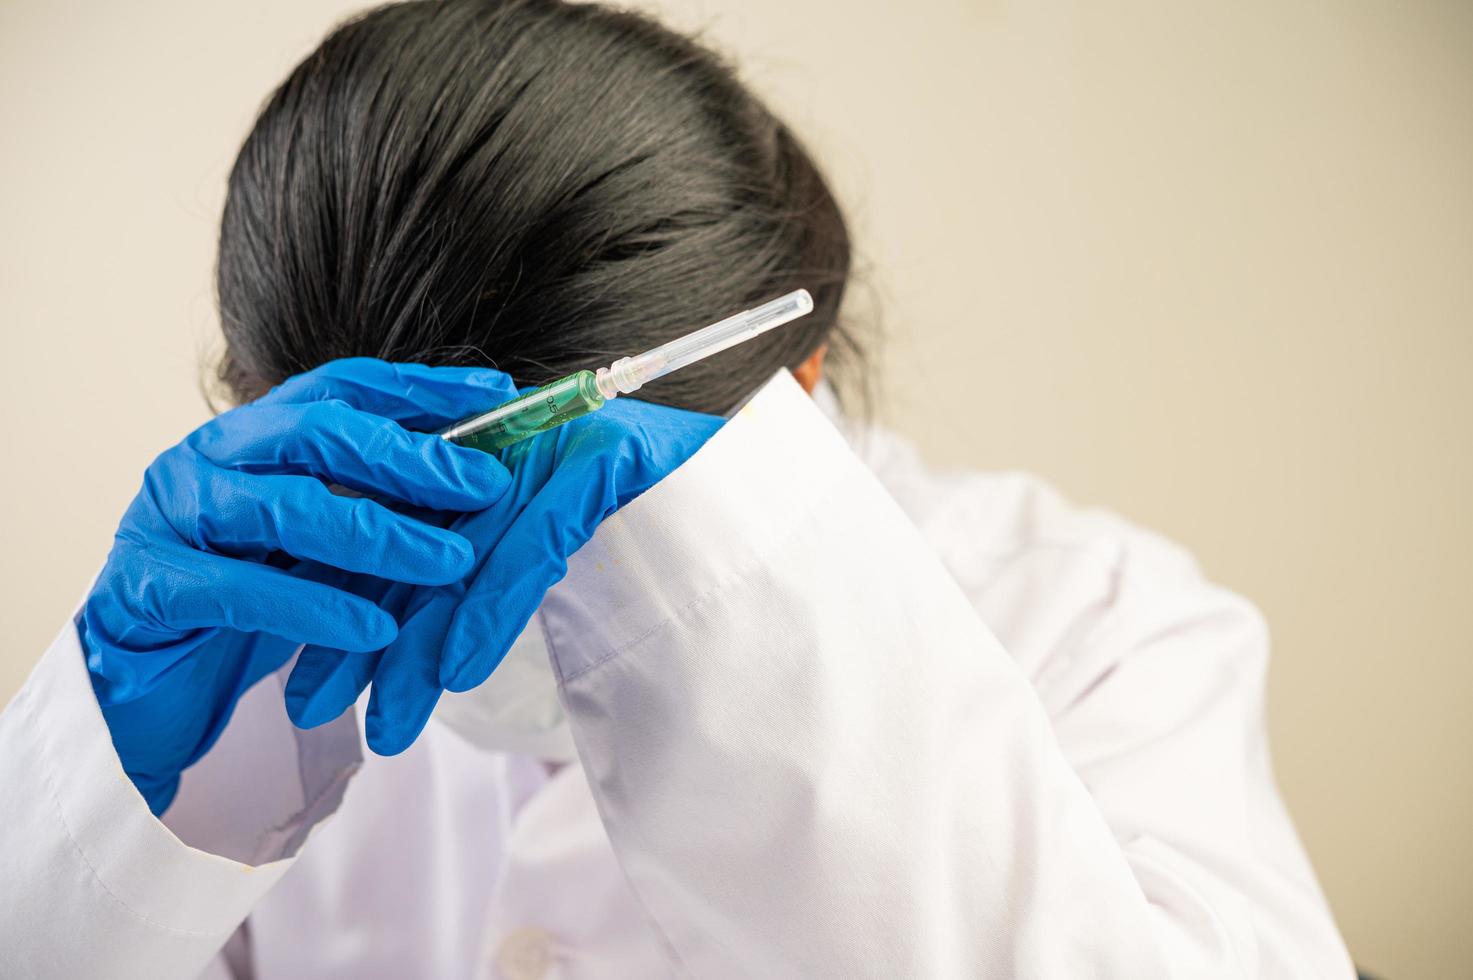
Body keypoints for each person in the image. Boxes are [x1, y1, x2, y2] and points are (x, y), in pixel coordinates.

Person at [0, 1, 1356, 977]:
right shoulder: (237, 628)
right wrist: (87, 824)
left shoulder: (1103, 628)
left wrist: (736, 603)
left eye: (555, 520)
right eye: (407, 518)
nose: (460, 584)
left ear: (798, 391)